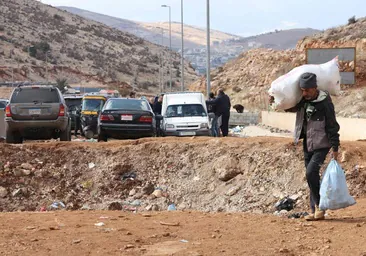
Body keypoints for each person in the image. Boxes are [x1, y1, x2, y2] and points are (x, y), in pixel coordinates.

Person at [270, 72, 340, 221]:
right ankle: (315, 210)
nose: (305, 93)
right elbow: (289, 107)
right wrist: (275, 101)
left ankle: (320, 207)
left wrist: (335, 147)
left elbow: (332, 125)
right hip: (307, 143)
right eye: (302, 90)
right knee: (311, 177)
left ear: (315, 88)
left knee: (310, 173)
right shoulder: (303, 101)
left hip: (322, 143)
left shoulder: (325, 102)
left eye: (307, 90)